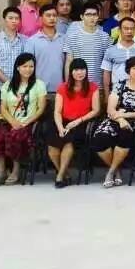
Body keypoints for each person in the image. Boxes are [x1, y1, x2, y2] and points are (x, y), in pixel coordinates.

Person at [0, 52, 48, 186]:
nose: (28, 69)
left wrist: (26, 122)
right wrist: (13, 122)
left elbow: (41, 109)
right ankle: (1, 172)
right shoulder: (8, 85)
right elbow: (3, 108)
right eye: (25, 66)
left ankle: (16, 171)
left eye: (31, 66)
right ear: (18, 68)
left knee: (15, 135)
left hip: (28, 122)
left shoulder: (39, 85)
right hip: (9, 120)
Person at [92, 56, 135, 188]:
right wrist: (121, 119)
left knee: (125, 136)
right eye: (134, 68)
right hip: (115, 118)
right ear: (128, 71)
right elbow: (110, 109)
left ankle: (111, 172)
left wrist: (126, 115)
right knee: (100, 138)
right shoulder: (119, 85)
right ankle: (116, 170)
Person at [46, 58, 100, 188]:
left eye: (82, 69)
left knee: (68, 143)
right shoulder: (62, 87)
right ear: (71, 72)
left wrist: (77, 121)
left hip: (82, 122)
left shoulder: (93, 87)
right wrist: (60, 127)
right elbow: (57, 111)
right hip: (62, 121)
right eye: (76, 70)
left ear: (86, 71)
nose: (79, 72)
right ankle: (65, 173)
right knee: (52, 147)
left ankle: (60, 176)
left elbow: (96, 110)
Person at [0, 7, 26, 121]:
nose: (14, 21)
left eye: (17, 18)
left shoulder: (25, 40)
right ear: (4, 20)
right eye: (10, 18)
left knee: (19, 122)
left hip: (21, 90)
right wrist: (9, 83)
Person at [63, 1, 111, 92]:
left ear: (98, 16)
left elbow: (108, 64)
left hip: (98, 87)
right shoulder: (72, 36)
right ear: (82, 17)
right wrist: (68, 85)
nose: (92, 18)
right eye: (88, 15)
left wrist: (106, 89)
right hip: (77, 86)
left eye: (94, 14)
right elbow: (69, 62)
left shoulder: (105, 37)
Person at [24, 3, 65, 97]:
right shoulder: (32, 41)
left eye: (54, 15)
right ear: (41, 18)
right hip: (38, 91)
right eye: (48, 15)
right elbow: (27, 67)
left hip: (61, 91)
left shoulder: (64, 39)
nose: (52, 18)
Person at [101, 16, 135, 94]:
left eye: (132, 29)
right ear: (119, 30)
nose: (129, 31)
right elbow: (106, 75)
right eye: (126, 28)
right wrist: (107, 96)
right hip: (117, 92)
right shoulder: (110, 50)